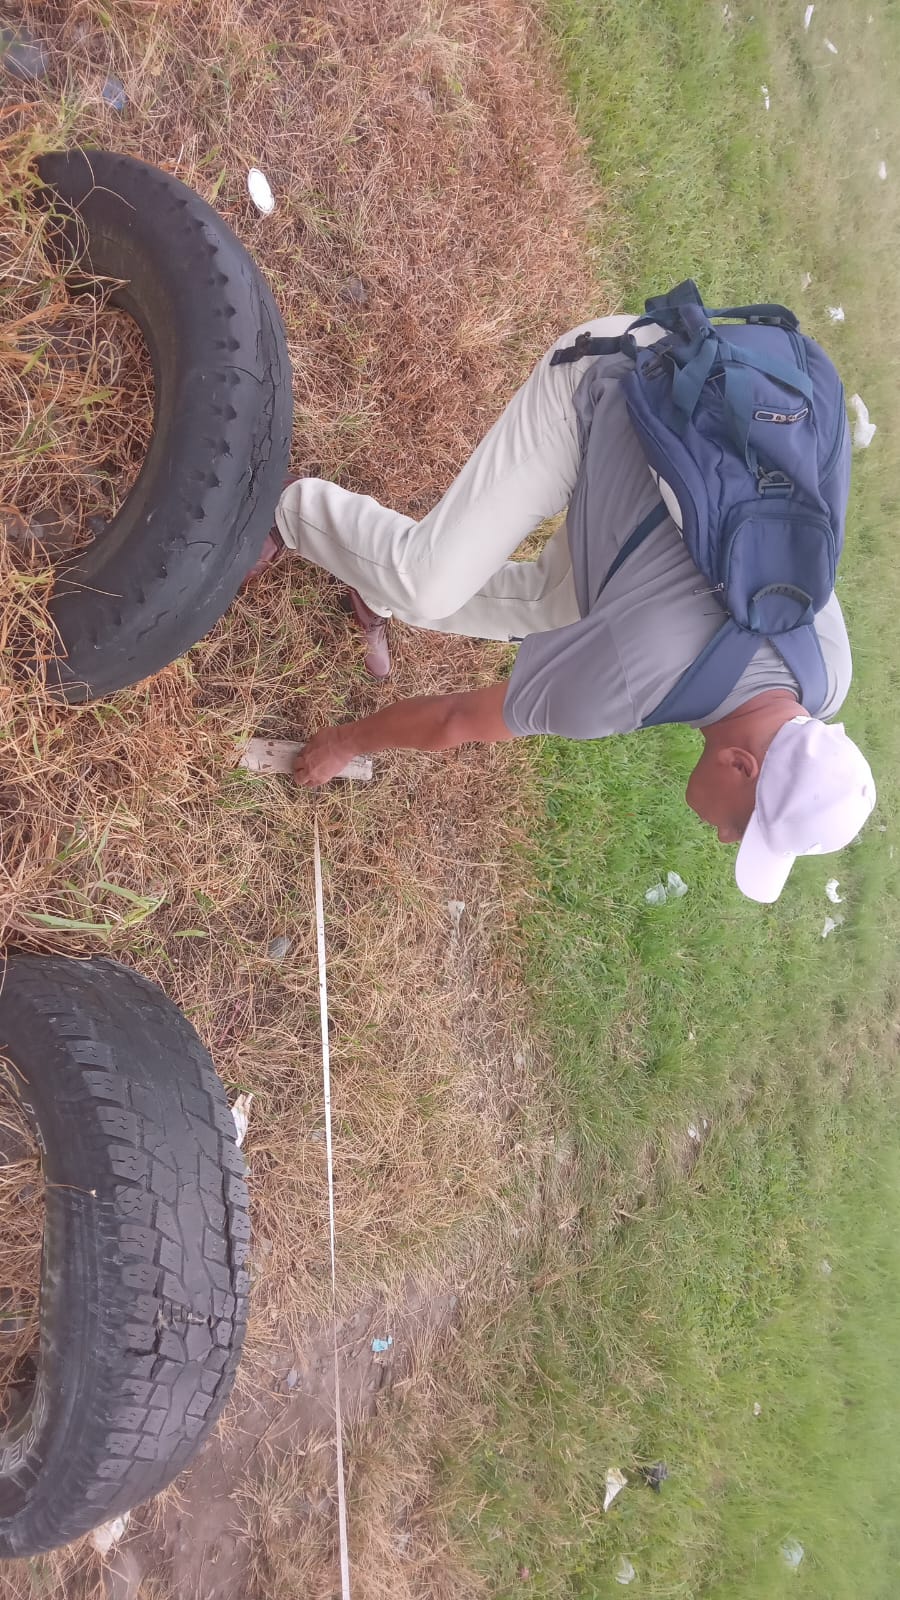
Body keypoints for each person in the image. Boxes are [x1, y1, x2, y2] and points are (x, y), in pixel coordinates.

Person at [246, 314, 875, 902]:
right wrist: (345, 742)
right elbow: (454, 720)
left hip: (695, 403)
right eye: (742, 826)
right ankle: (286, 511)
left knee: (548, 605)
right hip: (618, 377)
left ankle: (372, 582)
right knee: (426, 583)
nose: (726, 837)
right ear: (740, 765)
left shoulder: (826, 679)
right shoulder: (628, 682)